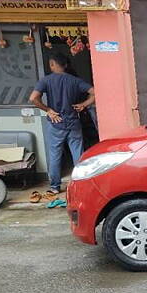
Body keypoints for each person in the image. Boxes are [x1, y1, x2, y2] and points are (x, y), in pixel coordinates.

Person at [30, 53, 95, 195]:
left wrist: (48, 110)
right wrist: (84, 104)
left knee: (55, 155)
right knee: (78, 154)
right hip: (73, 123)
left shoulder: (46, 81)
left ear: (52, 64)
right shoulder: (75, 81)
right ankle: (81, 184)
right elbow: (94, 92)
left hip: (55, 123)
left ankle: (54, 186)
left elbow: (33, 98)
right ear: (65, 65)